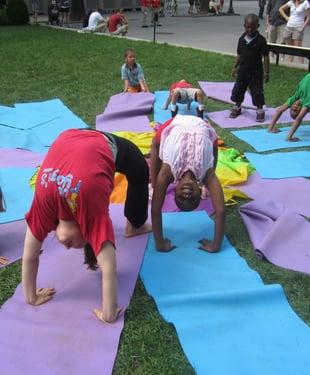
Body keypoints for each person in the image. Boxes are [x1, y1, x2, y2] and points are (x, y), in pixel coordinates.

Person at [21, 128, 150, 323]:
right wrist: (31, 297)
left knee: (141, 169)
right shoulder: (45, 204)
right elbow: (29, 256)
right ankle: (135, 224)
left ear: (87, 229)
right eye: (72, 244)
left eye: (71, 244)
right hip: (72, 139)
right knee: (138, 168)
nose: (65, 244)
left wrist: (108, 315)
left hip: (89, 140)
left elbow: (109, 267)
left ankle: (135, 225)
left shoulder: (87, 209)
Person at [150, 115, 225, 253]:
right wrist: (216, 246)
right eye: (191, 198)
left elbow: (155, 209)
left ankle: (153, 184)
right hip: (202, 127)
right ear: (198, 188)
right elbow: (220, 210)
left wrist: (160, 244)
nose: (186, 194)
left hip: (175, 124)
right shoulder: (207, 175)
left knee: (155, 144)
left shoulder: (167, 173)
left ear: (175, 190)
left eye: (181, 197)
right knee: (212, 152)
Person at [230, 14, 270, 123]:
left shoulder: (261, 40)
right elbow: (239, 54)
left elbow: (266, 56)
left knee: (257, 91)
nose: (250, 29)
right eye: (247, 27)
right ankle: (237, 107)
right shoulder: (242, 39)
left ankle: (260, 110)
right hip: (243, 70)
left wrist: (266, 72)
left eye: (253, 27)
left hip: (256, 72)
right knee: (238, 89)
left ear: (258, 26)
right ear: (244, 26)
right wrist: (234, 67)